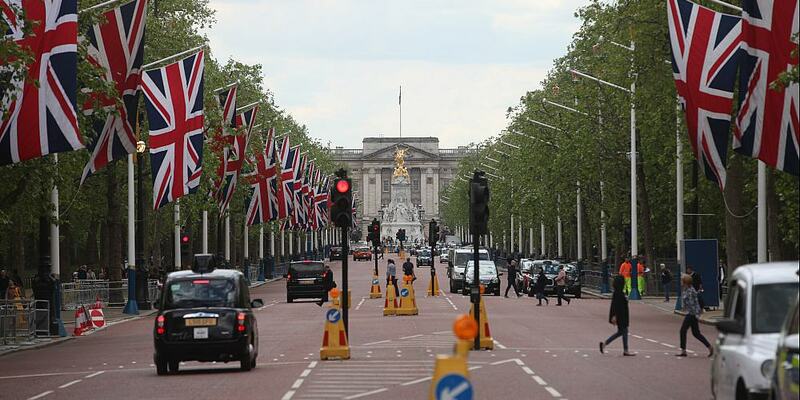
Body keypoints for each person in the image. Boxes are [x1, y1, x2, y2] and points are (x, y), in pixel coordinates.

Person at [676, 274, 713, 357]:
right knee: (696, 333)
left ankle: (683, 351)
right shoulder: (687, 289)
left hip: (692, 314)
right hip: (693, 313)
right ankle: (710, 347)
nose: (681, 282)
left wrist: (693, 314)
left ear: (685, 282)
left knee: (683, 330)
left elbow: (692, 303)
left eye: (682, 280)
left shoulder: (690, 291)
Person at [600, 275, 635, 356]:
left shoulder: (618, 292)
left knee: (620, 332)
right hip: (621, 316)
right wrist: (614, 316)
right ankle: (625, 350)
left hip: (621, 315)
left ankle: (604, 344)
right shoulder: (619, 293)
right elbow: (616, 306)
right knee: (624, 332)